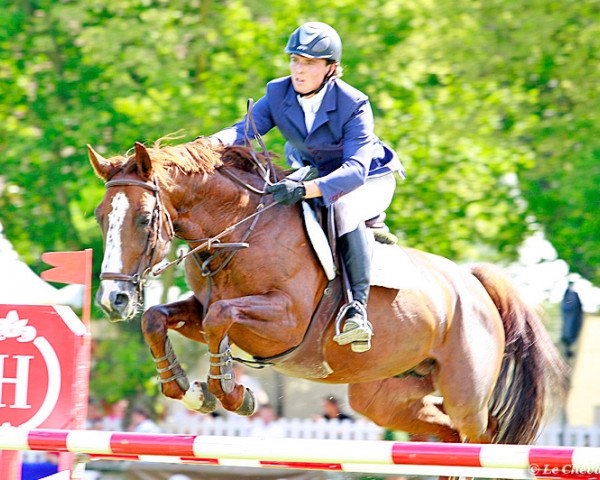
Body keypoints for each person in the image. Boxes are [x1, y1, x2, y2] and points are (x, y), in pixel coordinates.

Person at [209, 22, 404, 353]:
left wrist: (305, 190)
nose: (299, 70)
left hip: (369, 177)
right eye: (295, 61)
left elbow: (355, 170)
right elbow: (244, 129)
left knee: (342, 208)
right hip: (312, 170)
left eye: (310, 63)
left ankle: (357, 310)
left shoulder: (353, 103)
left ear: (330, 68)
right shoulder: (277, 92)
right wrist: (207, 144)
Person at [561, 281, 583, 359]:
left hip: (574, 319)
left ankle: (570, 351)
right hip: (569, 319)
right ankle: (568, 351)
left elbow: (579, 307)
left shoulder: (575, 294)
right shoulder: (567, 294)